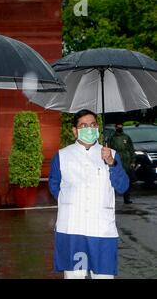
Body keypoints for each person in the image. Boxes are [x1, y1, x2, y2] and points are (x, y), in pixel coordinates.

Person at [49, 109, 129, 279]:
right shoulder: (62, 156)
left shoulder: (111, 154)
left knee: (103, 276)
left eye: (92, 125)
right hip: (72, 229)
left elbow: (123, 187)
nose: (89, 129)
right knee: (74, 275)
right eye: (83, 125)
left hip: (101, 230)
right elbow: (54, 186)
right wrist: (71, 203)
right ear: (74, 130)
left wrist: (111, 163)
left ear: (98, 128)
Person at [108, 122, 135, 204]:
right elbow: (109, 149)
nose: (120, 127)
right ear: (115, 127)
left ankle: (127, 198)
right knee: (115, 178)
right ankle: (112, 199)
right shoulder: (112, 138)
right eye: (118, 126)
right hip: (117, 160)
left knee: (127, 180)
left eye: (121, 126)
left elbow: (131, 149)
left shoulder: (126, 137)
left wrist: (133, 161)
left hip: (127, 161)